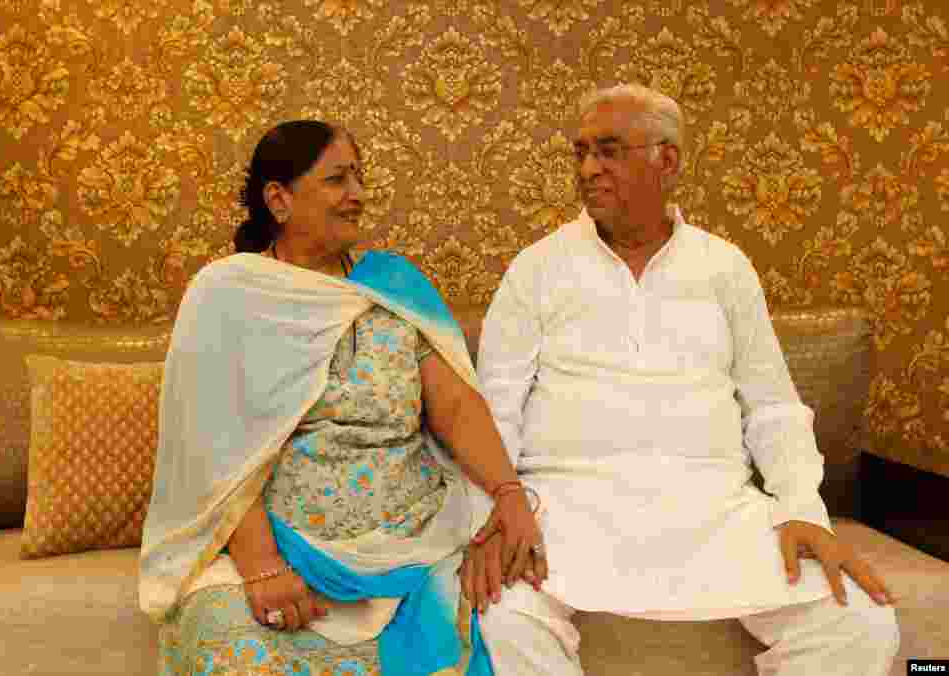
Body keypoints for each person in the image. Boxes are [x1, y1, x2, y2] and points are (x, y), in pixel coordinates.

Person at [463, 84, 900, 676]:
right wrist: (496, 510)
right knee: (502, 618)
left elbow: (773, 406)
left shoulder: (724, 266)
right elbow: (497, 410)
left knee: (862, 622)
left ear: (666, 161)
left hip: (713, 509)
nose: (589, 168)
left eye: (610, 150)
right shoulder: (537, 268)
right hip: (569, 508)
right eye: (582, 152)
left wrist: (801, 507)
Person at [139, 120, 546, 676]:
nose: (357, 194)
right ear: (279, 199)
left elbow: (453, 406)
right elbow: (211, 447)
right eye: (336, 179)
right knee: (226, 643)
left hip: (417, 541)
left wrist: (508, 492)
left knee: (505, 621)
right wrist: (261, 567)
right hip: (283, 548)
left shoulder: (394, 285)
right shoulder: (229, 294)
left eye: (359, 176)